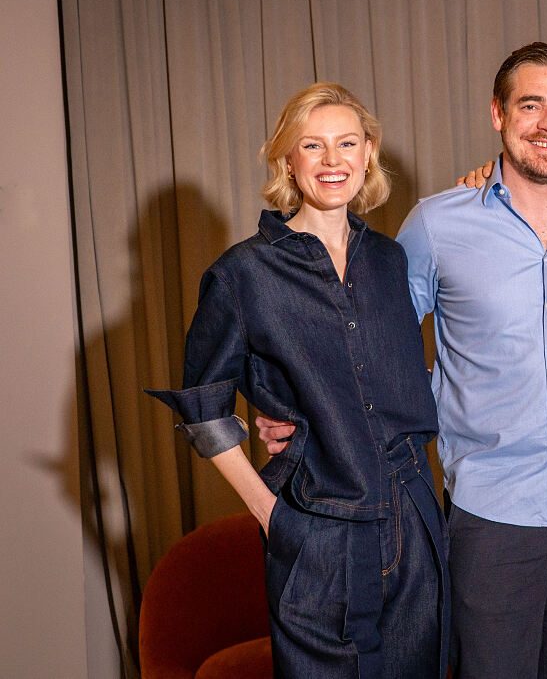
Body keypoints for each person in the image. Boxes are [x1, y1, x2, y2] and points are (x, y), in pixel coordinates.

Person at [261, 43, 547, 679]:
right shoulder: (438, 224)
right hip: (491, 513)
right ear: (498, 113)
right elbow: (369, 341)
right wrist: (296, 408)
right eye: (531, 105)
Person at [147, 83, 448, 677]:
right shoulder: (242, 274)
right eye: (313, 146)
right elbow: (203, 408)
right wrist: (272, 517)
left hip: (414, 516)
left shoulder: (391, 262)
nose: (332, 161)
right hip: (318, 527)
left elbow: (392, 377)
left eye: (347, 144)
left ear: (368, 155)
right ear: (288, 160)